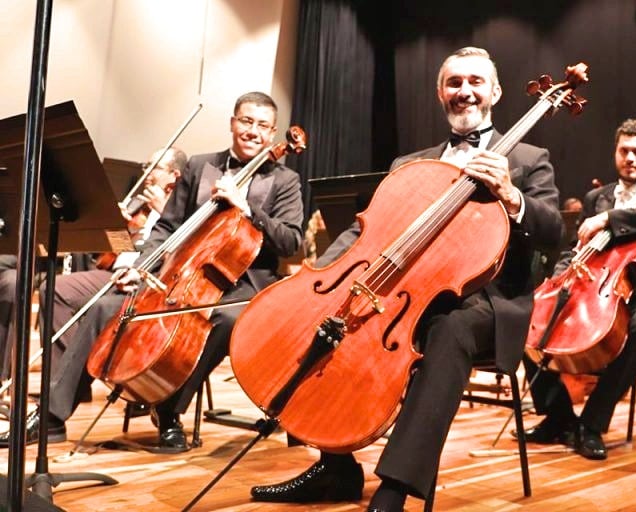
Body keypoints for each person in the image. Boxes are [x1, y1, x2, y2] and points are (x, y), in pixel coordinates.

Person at [249, 47, 562, 511]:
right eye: (454, 82)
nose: (465, 91)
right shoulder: (410, 165)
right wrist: (321, 279)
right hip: (404, 296)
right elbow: (365, 232)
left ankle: (393, 492)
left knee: (447, 329)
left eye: (475, 81)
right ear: (440, 93)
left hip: (486, 303)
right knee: (325, 316)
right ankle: (335, 469)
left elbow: (554, 234)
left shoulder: (528, 158)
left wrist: (512, 195)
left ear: (495, 91)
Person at [0, 91, 304, 451]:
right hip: (182, 273)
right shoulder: (201, 165)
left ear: (272, 134)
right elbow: (167, 225)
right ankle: (51, 417)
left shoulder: (285, 181)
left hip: (242, 283)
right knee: (103, 307)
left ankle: (168, 410)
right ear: (233, 123)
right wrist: (142, 266)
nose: (253, 131)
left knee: (223, 321)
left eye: (263, 125)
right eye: (247, 121)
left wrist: (248, 210)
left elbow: (291, 241)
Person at [520, 118, 636, 461]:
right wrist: (559, 277)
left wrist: (611, 220)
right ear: (615, 152)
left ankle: (592, 425)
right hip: (598, 287)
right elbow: (575, 247)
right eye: (624, 150)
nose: (630, 158)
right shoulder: (597, 196)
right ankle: (559, 418)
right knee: (530, 319)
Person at [40, 147, 187, 372]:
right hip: (114, 274)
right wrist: (117, 227)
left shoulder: (179, 209)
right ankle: (65, 376)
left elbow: (179, 252)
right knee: (53, 289)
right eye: (145, 166)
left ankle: (75, 373)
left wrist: (161, 211)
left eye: (154, 168)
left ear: (174, 175)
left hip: (150, 282)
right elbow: (114, 251)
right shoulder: (139, 205)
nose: (147, 173)